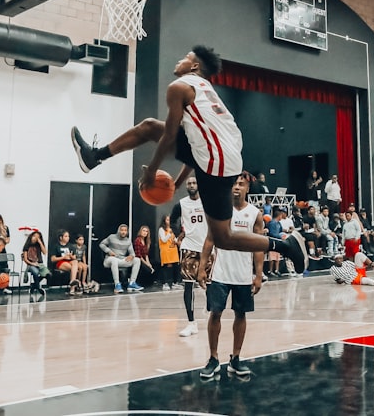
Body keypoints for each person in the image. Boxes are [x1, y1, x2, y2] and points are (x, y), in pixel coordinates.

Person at [69, 46, 306, 271]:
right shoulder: (206, 91)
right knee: (150, 127)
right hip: (224, 157)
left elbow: (171, 136)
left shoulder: (179, 87)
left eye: (185, 56)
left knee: (223, 238)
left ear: (193, 66)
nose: (179, 60)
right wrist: (178, 182)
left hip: (218, 164)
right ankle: (94, 156)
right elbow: (192, 145)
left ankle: (285, 246)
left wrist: (152, 171)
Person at [197, 173, 264, 380]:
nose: (236, 187)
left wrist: (259, 274)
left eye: (241, 184)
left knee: (240, 315)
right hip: (220, 273)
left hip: (244, 275)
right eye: (234, 183)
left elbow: (260, 246)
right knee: (215, 313)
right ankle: (213, 359)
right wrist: (201, 267)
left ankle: (236, 358)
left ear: (247, 189)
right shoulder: (220, 210)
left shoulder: (255, 214)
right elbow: (210, 239)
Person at [171, 176, 210, 335]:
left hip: (207, 247)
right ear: (186, 186)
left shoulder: (208, 201)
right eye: (189, 183)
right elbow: (172, 220)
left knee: (211, 286)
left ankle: (210, 317)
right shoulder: (182, 203)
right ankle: (191, 323)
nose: (192, 185)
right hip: (189, 248)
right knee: (188, 285)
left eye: (194, 182)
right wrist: (178, 234)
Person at [99, 224, 143, 294]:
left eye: (125, 230)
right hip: (109, 260)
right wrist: (109, 251)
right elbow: (101, 244)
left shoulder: (128, 241)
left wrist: (131, 256)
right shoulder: (111, 237)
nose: (123, 232)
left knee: (137, 260)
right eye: (122, 230)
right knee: (114, 260)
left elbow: (132, 253)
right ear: (119, 230)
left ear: (127, 232)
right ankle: (117, 285)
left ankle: (132, 283)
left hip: (121, 260)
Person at [50, 230, 83, 296]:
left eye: (68, 236)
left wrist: (71, 256)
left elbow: (74, 257)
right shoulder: (56, 246)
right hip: (60, 262)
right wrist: (63, 257)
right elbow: (52, 259)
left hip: (70, 261)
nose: (68, 238)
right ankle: (73, 288)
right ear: (61, 238)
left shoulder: (71, 246)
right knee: (75, 270)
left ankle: (72, 282)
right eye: (66, 236)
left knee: (75, 262)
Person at [20, 230, 49, 295]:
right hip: (30, 264)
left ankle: (34, 285)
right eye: (34, 236)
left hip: (39, 264)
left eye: (38, 237)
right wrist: (32, 263)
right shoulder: (27, 246)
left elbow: (44, 252)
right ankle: (38, 287)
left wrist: (40, 243)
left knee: (48, 274)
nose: (35, 238)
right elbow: (25, 259)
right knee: (35, 272)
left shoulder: (38, 245)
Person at [157, 215, 179, 291]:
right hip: (166, 250)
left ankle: (175, 283)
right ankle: (165, 283)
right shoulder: (161, 229)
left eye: (170, 220)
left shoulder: (171, 229)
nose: (169, 221)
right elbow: (163, 240)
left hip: (173, 250)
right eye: (167, 220)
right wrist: (169, 234)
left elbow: (175, 239)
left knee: (176, 266)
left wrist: (177, 240)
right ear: (164, 221)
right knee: (166, 266)